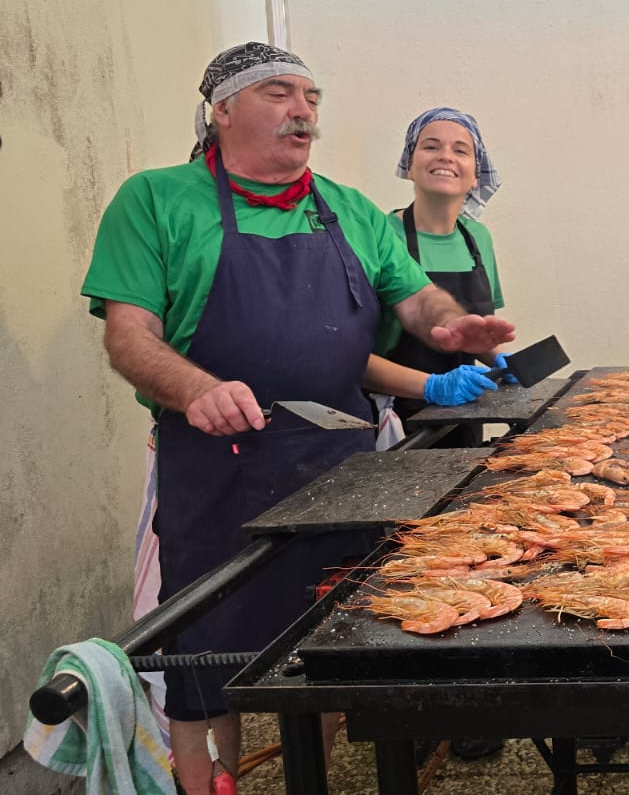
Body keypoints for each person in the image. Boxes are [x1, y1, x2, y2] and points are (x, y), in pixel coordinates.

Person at [80, 42, 515, 794]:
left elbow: (415, 298)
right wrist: (195, 389)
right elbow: (129, 334)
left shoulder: (346, 209)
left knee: (326, 646)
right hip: (217, 471)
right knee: (204, 656)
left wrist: (450, 325)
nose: (302, 110)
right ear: (222, 111)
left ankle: (305, 778)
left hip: (342, 469)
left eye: (311, 97)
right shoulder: (155, 199)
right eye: (278, 93)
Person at [364, 108, 513, 451]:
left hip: (464, 416)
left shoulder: (478, 238)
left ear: (476, 175)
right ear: (409, 165)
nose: (446, 156)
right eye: (431, 146)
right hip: (394, 424)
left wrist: (501, 360)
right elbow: (350, 357)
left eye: (461, 150)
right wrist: (434, 387)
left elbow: (474, 334)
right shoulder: (380, 236)